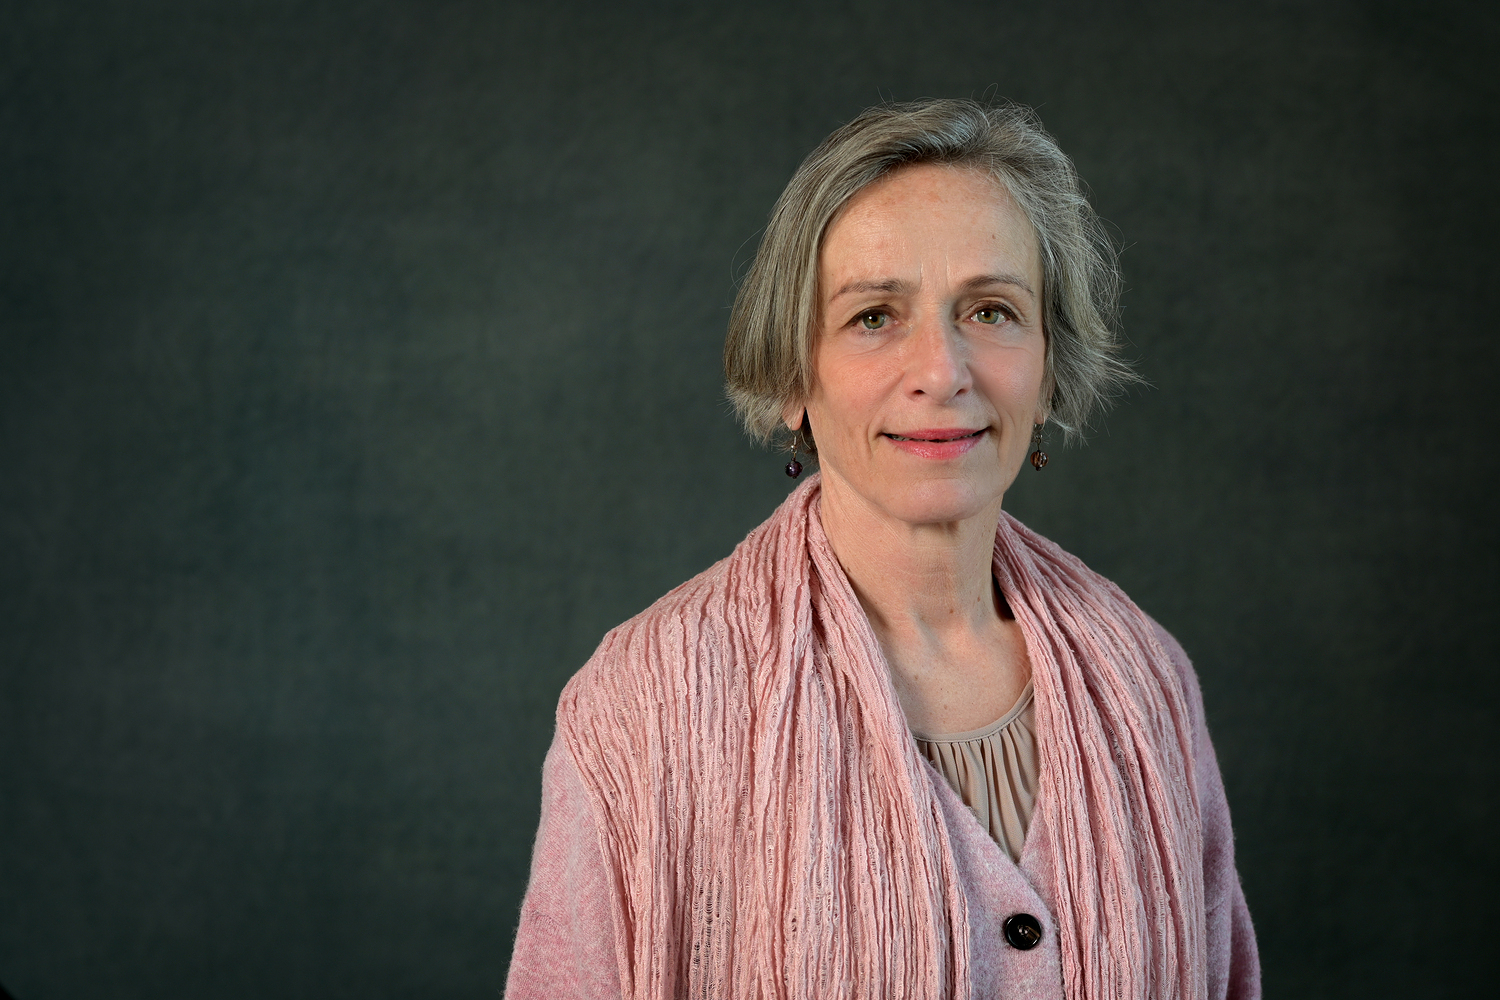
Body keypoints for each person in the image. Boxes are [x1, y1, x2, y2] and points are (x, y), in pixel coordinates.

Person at [505, 99, 1259, 1000]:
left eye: (991, 310)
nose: (941, 371)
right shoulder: (641, 707)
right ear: (792, 373)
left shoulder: (1144, 681)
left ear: (1050, 363)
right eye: (874, 317)